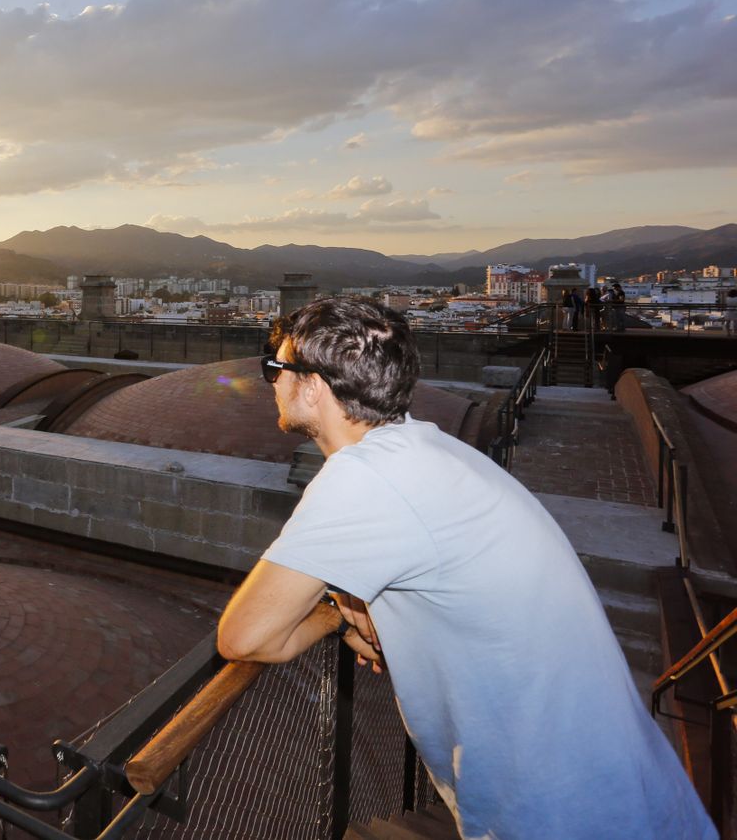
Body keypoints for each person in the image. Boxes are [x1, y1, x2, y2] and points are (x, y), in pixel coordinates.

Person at [216, 297, 713, 839]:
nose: (271, 382)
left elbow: (245, 637)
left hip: (555, 812)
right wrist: (347, 601)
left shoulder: (364, 479)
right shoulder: (432, 451)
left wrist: (332, 612)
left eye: (276, 368)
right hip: (621, 790)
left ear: (312, 386)